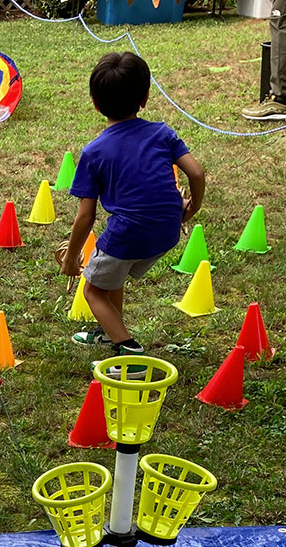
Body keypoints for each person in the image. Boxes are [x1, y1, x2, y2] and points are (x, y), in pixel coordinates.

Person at [63, 52, 205, 358]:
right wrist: (191, 208)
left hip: (129, 233)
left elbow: (85, 217)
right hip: (166, 232)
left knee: (92, 290)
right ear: (144, 98)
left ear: (95, 103)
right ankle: (109, 331)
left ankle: (128, 350)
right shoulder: (162, 133)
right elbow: (196, 172)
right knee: (113, 274)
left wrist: (71, 258)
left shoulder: (93, 152)